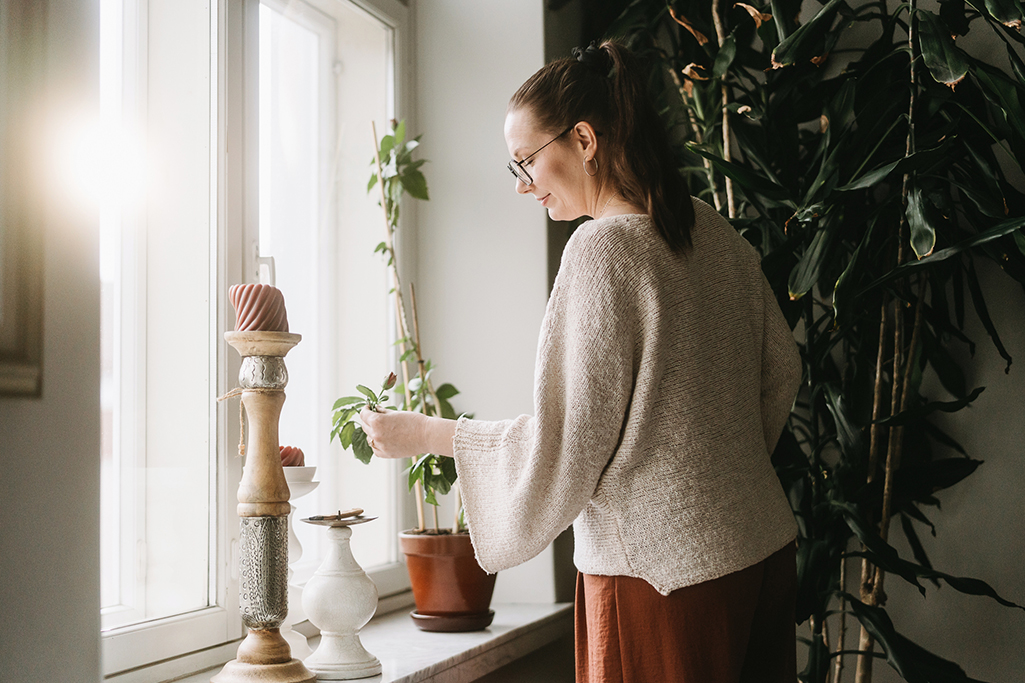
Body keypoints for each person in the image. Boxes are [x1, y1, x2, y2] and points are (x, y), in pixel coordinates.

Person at [360, 40, 802, 683]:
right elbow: (782, 368)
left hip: (660, 578)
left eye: (525, 162)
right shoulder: (710, 228)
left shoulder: (600, 252)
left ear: (585, 140)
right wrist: (714, 472)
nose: (523, 187)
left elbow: (567, 441)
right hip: (759, 550)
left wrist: (429, 434)